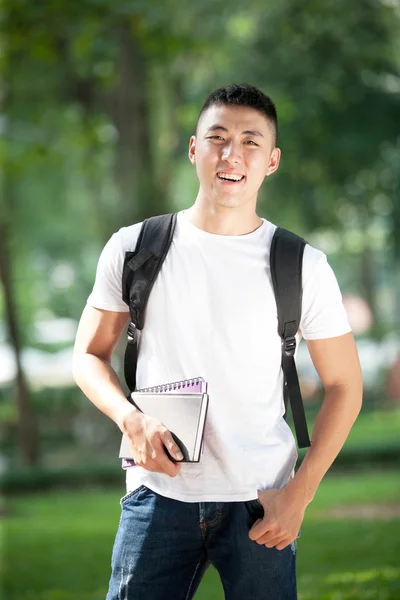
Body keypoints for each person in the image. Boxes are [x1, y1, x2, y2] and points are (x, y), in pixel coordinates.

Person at [73, 83, 363, 600]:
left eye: (251, 142)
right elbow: (89, 355)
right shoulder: (135, 246)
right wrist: (130, 419)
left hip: (261, 499)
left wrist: (301, 492)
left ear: (271, 161)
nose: (232, 154)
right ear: (193, 149)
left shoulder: (302, 265)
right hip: (156, 493)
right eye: (218, 137)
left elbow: (345, 385)